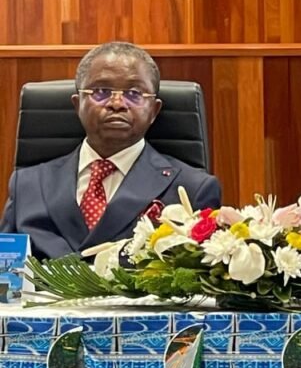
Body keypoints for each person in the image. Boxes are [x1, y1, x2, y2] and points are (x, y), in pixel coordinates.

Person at [0, 41, 221, 260]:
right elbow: (5, 274)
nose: (117, 103)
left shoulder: (193, 189)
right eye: (101, 91)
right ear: (77, 104)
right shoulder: (27, 185)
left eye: (134, 93)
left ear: (154, 110)